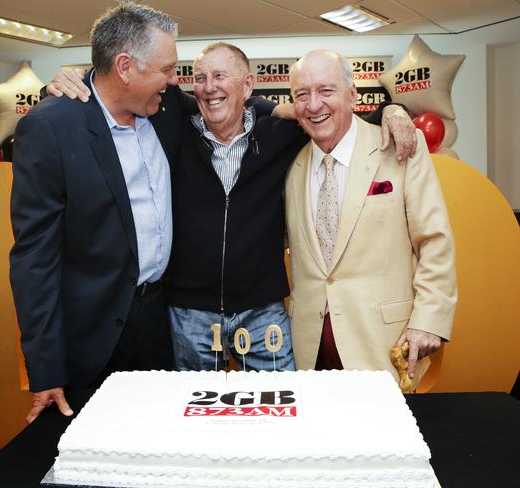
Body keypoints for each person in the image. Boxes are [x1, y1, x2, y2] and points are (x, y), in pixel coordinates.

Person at [46, 43, 418, 373]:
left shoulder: (282, 133)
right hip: (190, 313)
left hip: (262, 311)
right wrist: (73, 76)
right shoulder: (171, 123)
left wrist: (393, 109)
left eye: (221, 76)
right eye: (200, 77)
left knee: (280, 410)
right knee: (196, 415)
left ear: (248, 86)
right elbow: (120, 81)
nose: (209, 87)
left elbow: (339, 121)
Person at [10, 3, 192, 423]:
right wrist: (45, 365)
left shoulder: (164, 109)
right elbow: (34, 258)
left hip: (157, 321)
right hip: (90, 337)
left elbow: (230, 100)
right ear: (125, 66)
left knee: (156, 439)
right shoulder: (52, 127)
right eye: (167, 69)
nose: (174, 80)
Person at [284, 50, 457, 387]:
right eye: (302, 95)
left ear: (353, 95)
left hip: (383, 347)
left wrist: (429, 320)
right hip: (309, 352)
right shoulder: (291, 165)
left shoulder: (399, 146)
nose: (314, 104)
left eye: (326, 90)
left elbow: (434, 240)